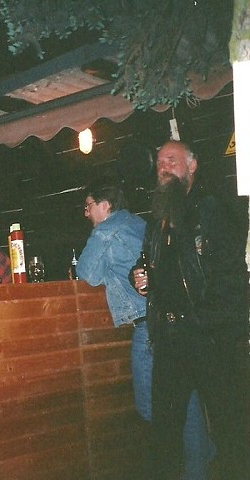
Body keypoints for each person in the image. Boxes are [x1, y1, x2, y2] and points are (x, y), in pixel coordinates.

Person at [77, 177, 214, 479]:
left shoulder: (106, 232)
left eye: (88, 206)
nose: (86, 213)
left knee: (152, 406)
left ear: (105, 205)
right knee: (181, 395)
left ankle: (192, 459)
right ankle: (201, 459)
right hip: (170, 322)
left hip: (147, 327)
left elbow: (86, 273)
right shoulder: (139, 224)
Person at [131, 140, 249, 479]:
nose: (163, 167)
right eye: (159, 162)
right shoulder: (159, 216)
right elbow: (148, 263)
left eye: (171, 159)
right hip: (170, 339)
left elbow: (230, 274)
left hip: (209, 337)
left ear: (192, 166)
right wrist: (139, 276)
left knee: (229, 428)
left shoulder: (210, 207)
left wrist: (207, 323)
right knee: (165, 431)